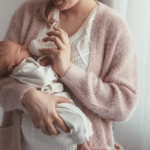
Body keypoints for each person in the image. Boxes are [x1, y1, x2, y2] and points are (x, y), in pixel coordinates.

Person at [0, 0, 138, 150]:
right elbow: (2, 76)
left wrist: (68, 71)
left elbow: (124, 105)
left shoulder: (114, 27)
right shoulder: (27, 13)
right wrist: (27, 96)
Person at [0, 40, 93, 150]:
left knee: (82, 121)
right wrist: (53, 67)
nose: (24, 46)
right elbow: (44, 77)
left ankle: (87, 145)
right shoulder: (22, 68)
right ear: (12, 67)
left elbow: (35, 72)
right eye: (20, 50)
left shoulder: (22, 67)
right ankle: (82, 146)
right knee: (77, 120)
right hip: (53, 104)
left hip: (55, 100)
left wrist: (41, 62)